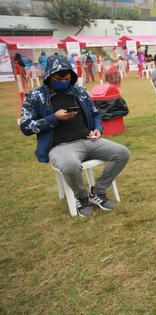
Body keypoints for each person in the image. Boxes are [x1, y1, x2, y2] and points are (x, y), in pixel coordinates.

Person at [19, 55, 130, 217]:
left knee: (122, 153)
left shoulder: (79, 91)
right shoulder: (36, 96)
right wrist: (54, 118)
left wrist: (98, 128)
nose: (64, 80)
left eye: (67, 77)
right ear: (49, 76)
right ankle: (82, 198)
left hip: (88, 139)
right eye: (59, 77)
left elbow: (95, 114)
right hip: (60, 146)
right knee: (70, 165)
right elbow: (26, 127)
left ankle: (98, 191)